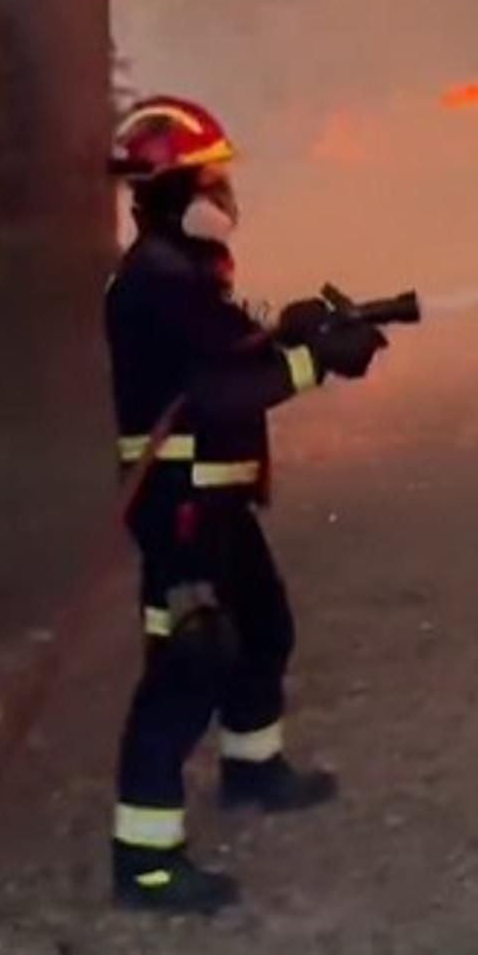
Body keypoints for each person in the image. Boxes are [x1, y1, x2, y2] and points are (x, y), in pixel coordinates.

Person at [101, 95, 387, 913]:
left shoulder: (186, 274)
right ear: (170, 190)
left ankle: (253, 768)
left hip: (216, 500)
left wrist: (291, 333)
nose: (224, 194)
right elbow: (220, 391)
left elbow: (229, 349)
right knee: (189, 664)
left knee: (264, 628)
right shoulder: (153, 282)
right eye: (209, 179)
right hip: (180, 507)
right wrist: (317, 362)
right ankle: (146, 861)